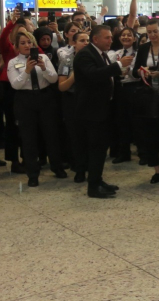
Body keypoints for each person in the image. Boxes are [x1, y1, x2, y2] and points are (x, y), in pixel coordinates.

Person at [73, 25, 133, 198]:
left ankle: (97, 180)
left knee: (100, 148)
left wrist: (119, 73)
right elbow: (93, 74)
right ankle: (93, 186)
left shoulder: (101, 53)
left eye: (110, 37)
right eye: (107, 38)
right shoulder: (85, 55)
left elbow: (105, 76)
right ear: (96, 39)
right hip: (91, 111)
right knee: (95, 148)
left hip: (103, 109)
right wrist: (118, 65)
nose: (110, 40)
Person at [7, 31, 64, 186]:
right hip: (25, 100)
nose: (27, 46)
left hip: (45, 98)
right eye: (23, 43)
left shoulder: (44, 58)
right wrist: (26, 70)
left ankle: (57, 167)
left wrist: (44, 68)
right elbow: (15, 84)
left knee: (51, 134)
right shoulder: (13, 62)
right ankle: (32, 174)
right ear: (17, 46)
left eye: (29, 42)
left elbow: (53, 79)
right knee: (28, 138)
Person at [132, 19, 159, 183]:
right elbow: (135, 72)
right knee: (150, 133)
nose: (152, 35)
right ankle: (156, 170)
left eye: (155, 31)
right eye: (149, 32)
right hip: (148, 96)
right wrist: (142, 72)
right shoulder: (143, 49)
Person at [0, 14, 34, 173]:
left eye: (25, 32)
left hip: (26, 88)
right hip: (9, 88)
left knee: (26, 126)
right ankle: (13, 160)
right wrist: (10, 24)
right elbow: (2, 39)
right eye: (18, 32)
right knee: (12, 126)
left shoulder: (30, 48)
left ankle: (27, 158)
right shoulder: (9, 49)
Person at [58, 31, 91, 182]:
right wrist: (74, 76)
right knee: (75, 136)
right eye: (82, 40)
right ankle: (79, 168)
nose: (85, 43)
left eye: (87, 40)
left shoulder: (95, 58)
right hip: (72, 100)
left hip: (91, 100)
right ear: (74, 43)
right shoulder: (67, 60)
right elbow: (62, 86)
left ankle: (92, 167)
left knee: (91, 135)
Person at [109, 27, 139, 164]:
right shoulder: (116, 54)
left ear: (134, 38)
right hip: (119, 89)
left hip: (133, 88)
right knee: (121, 122)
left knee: (137, 121)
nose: (126, 37)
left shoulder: (139, 53)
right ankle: (124, 153)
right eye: (123, 35)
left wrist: (130, 70)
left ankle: (143, 152)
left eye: (129, 35)